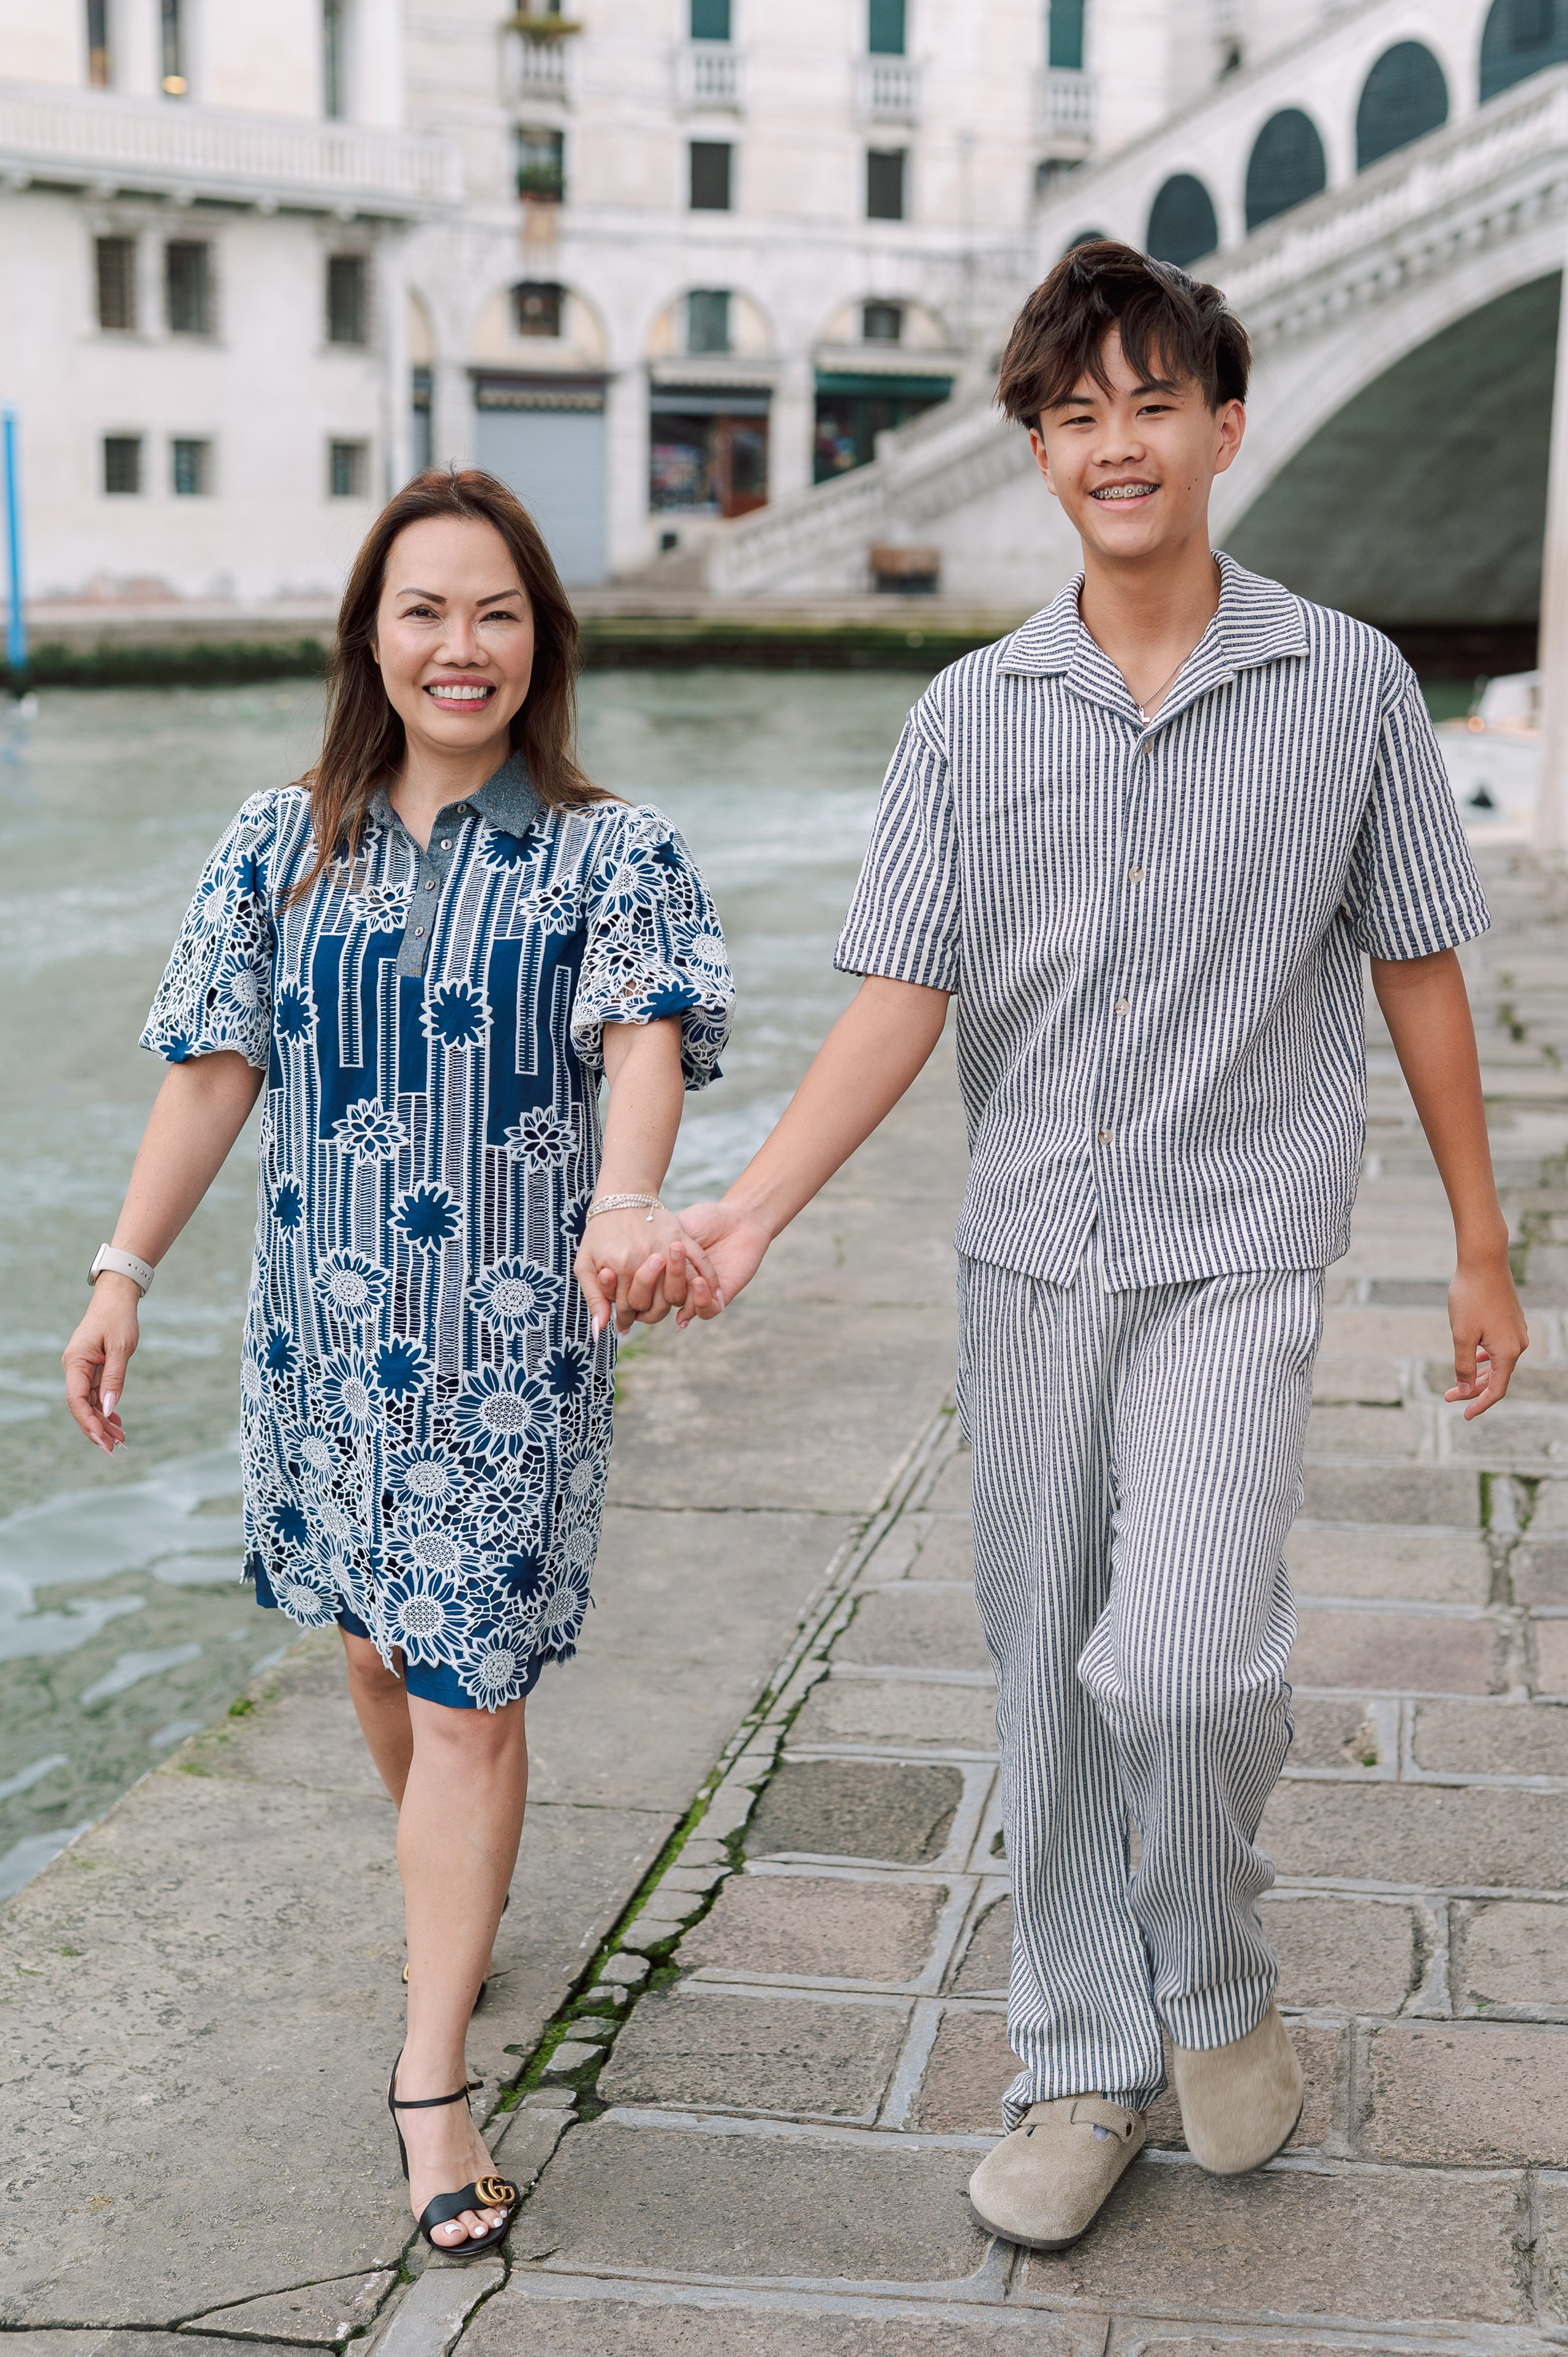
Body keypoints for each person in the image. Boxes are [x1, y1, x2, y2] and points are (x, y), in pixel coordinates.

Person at [678, 243, 1528, 2251]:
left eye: (1153, 402)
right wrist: (743, 1213)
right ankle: (1083, 2060)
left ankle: (1210, 1979)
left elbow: (1418, 968)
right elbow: (900, 993)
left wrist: (1487, 1254)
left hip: (1241, 1249)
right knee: (1049, 1684)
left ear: (1228, 425)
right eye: (1076, 414)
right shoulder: (971, 718)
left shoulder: (1350, 689)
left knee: (1189, 1665)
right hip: (1031, 1255)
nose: (1116, 441)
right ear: (1041, 449)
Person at [61, 469, 733, 2257]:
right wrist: (124, 1272)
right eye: (427, 610)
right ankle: (463, 1891)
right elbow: (214, 1071)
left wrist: (637, 1197)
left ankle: (430, 2078)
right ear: (373, 632)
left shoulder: (614, 849)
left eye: (498, 611)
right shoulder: (274, 843)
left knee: (464, 1697)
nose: (464, 645)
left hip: (515, 1360)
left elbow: (644, 1034)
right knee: (372, 1656)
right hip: (323, 1348)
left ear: (543, 638)